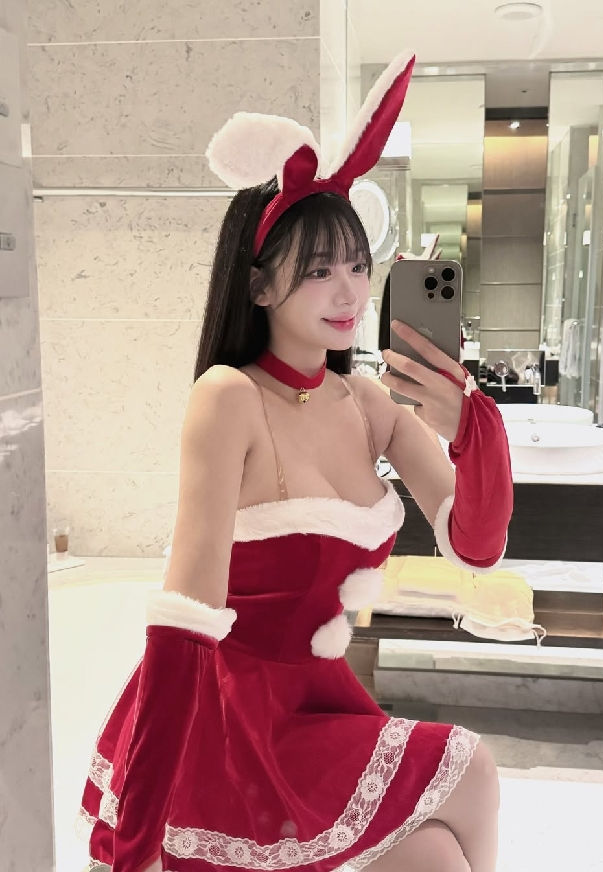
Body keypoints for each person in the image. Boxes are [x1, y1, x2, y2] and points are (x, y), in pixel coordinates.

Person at [76, 51, 513, 872]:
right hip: (230, 730)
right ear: (259, 287)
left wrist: (472, 427)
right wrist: (135, 846)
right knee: (472, 774)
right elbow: (182, 622)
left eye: (357, 265)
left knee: (448, 842)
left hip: (319, 709)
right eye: (318, 271)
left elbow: (477, 545)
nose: (348, 292)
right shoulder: (228, 397)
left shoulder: (368, 402)